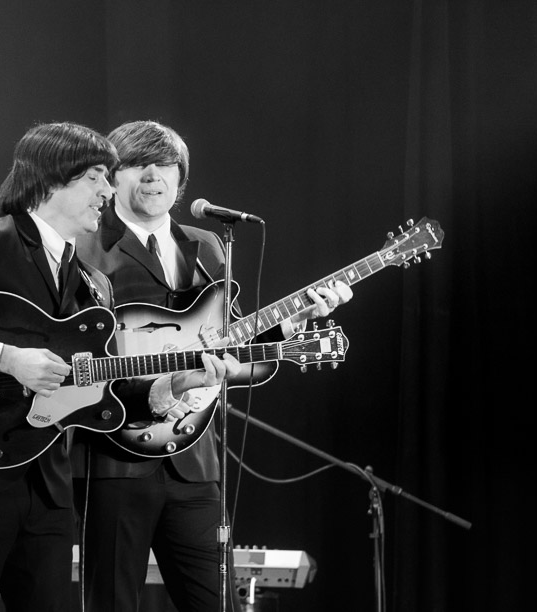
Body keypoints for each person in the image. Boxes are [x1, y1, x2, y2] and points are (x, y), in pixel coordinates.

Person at [0, 121, 238, 612]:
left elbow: (101, 381)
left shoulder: (90, 281)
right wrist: (9, 359)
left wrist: (177, 383)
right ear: (50, 180)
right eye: (96, 177)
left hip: (47, 475)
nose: (107, 191)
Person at [71, 120, 353, 612]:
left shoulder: (206, 246)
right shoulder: (83, 243)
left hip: (194, 462)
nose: (154, 175)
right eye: (138, 164)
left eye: (166, 165)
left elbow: (234, 350)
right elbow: (76, 352)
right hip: (113, 456)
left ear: (181, 179)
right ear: (113, 176)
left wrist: (294, 322)